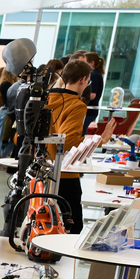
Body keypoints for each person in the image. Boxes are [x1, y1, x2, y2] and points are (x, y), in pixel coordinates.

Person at [46, 61, 91, 233]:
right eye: (87, 81)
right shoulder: (77, 105)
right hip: (65, 172)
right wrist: (97, 141)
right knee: (73, 226)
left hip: (41, 170)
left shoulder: (45, 99)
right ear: (83, 79)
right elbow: (69, 141)